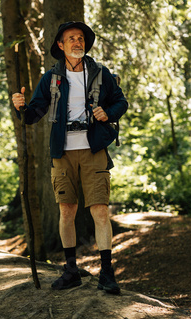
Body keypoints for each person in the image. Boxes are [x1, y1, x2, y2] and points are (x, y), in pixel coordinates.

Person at [11, 21, 128, 294]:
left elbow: (121, 101)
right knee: (67, 211)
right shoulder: (51, 78)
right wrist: (20, 107)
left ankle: (107, 274)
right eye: (71, 39)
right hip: (62, 152)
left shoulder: (100, 73)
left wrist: (107, 113)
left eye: (80, 38)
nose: (77, 42)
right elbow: (33, 115)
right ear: (61, 46)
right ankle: (71, 270)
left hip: (94, 150)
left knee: (100, 210)